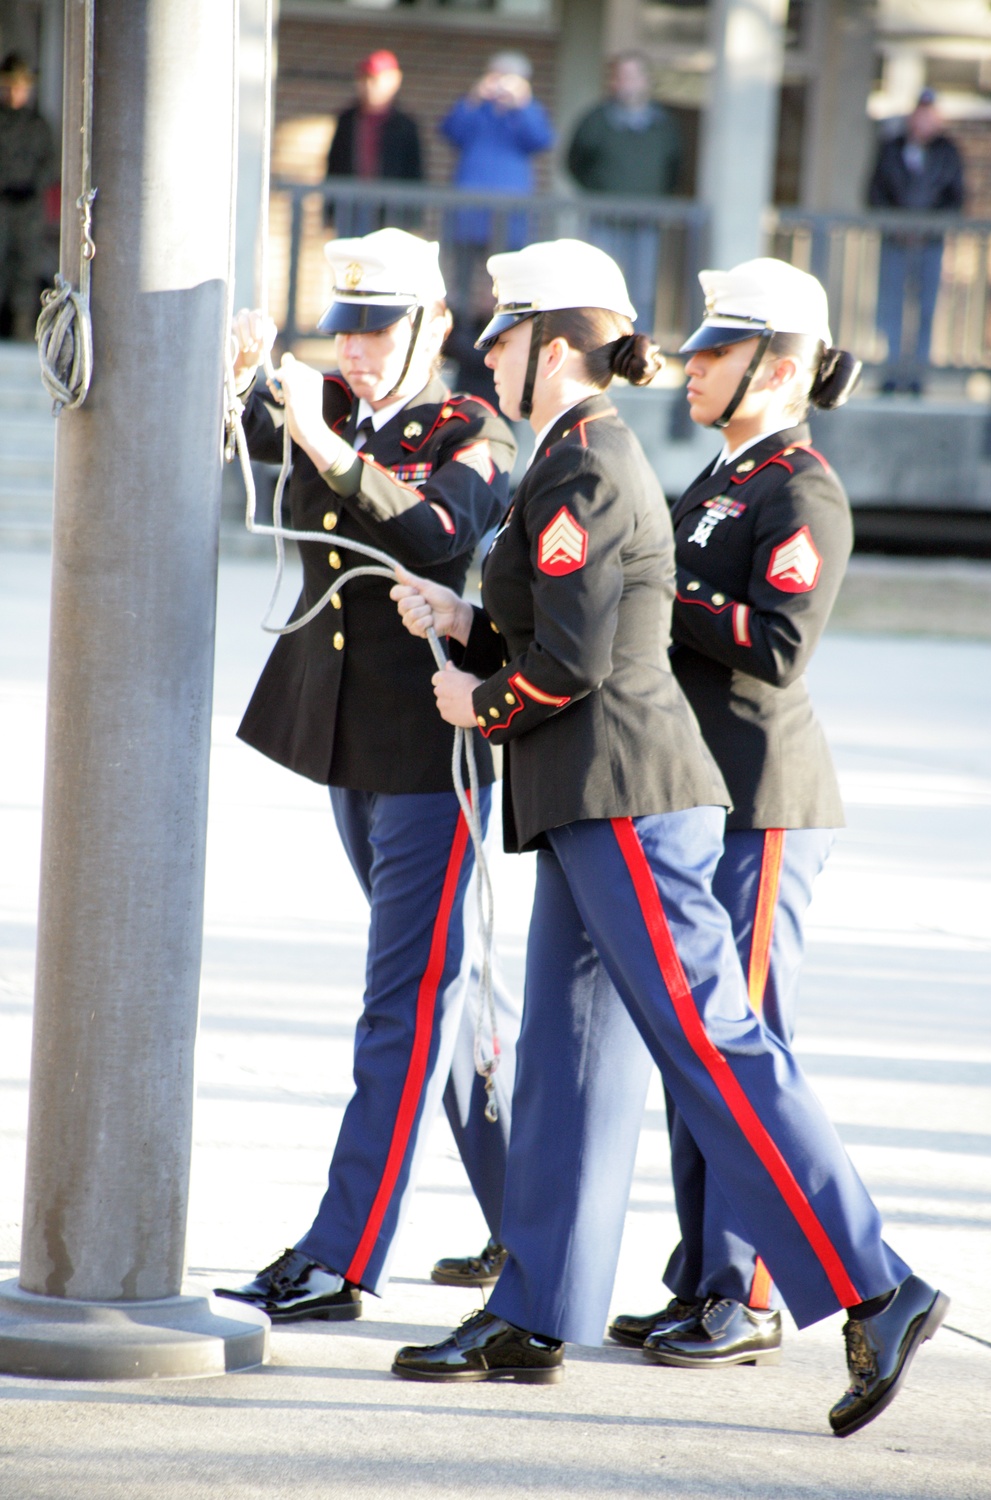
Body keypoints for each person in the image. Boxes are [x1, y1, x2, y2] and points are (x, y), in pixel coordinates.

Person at [388, 238, 947, 1439]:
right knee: (568, 1063)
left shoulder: (590, 458)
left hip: (628, 790)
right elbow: (583, 623)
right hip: (587, 793)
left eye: (504, 331)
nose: (486, 351)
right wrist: (471, 627)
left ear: (556, 344)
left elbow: (584, 663)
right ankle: (536, 1307)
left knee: (712, 1040)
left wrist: (476, 699)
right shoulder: (576, 457)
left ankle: (875, 1285)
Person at [213, 228, 520, 1323]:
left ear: (431, 328)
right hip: (349, 743)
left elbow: (438, 536)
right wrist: (241, 381)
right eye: (342, 325)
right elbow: (256, 457)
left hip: (431, 759)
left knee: (404, 1005)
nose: (352, 349)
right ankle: (524, 1216)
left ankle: (342, 1255)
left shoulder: (467, 430)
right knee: (447, 1000)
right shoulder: (334, 413)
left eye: (377, 327)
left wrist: (322, 440)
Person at [607, 257, 861, 1369]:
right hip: (700, 794)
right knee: (694, 1047)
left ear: (781, 366)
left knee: (740, 1041)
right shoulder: (719, 478)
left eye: (718, 350)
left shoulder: (799, 489)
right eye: (701, 346)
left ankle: (747, 1288)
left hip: (761, 800)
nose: (693, 365)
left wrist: (662, 591)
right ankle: (704, 1274)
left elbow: (780, 644)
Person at [566, 52, 682, 331]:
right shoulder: (596, 119)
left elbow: (675, 167)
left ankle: (636, 350)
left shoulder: (664, 125)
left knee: (643, 290)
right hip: (603, 218)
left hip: (646, 220)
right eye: (620, 76)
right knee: (598, 284)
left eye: (632, 76)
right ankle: (600, 345)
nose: (626, 83)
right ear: (612, 82)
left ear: (646, 81)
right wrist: (598, 194)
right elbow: (574, 161)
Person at [438, 52, 553, 326]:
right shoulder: (476, 108)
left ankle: (503, 330)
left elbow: (541, 140)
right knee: (461, 280)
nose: (501, 84)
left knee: (508, 279)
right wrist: (473, 98)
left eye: (509, 78)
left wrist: (522, 104)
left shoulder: (529, 110)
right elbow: (450, 131)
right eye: (496, 76)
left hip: (510, 216)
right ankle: (460, 335)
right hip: (469, 211)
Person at [868, 88, 963, 394]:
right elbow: (875, 191)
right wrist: (897, 225)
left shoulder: (948, 151)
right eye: (920, 112)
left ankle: (918, 376)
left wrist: (928, 227)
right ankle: (892, 371)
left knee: (926, 307)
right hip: (895, 240)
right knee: (891, 305)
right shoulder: (892, 147)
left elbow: (955, 197)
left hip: (930, 243)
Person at [324, 50, 422, 236]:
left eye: (376, 79)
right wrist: (329, 213)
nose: (370, 86)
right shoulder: (347, 120)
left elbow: (414, 174)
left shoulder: (405, 125)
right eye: (365, 79)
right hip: (350, 208)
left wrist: (414, 221)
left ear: (394, 81)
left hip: (390, 213)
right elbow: (334, 165)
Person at [0, 52, 55, 342]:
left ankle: (22, 328)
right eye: (10, 85)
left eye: (20, 86)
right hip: (2, 205)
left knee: (27, 266)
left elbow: (51, 162)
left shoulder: (38, 125)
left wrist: (32, 186)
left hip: (29, 208)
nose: (14, 92)